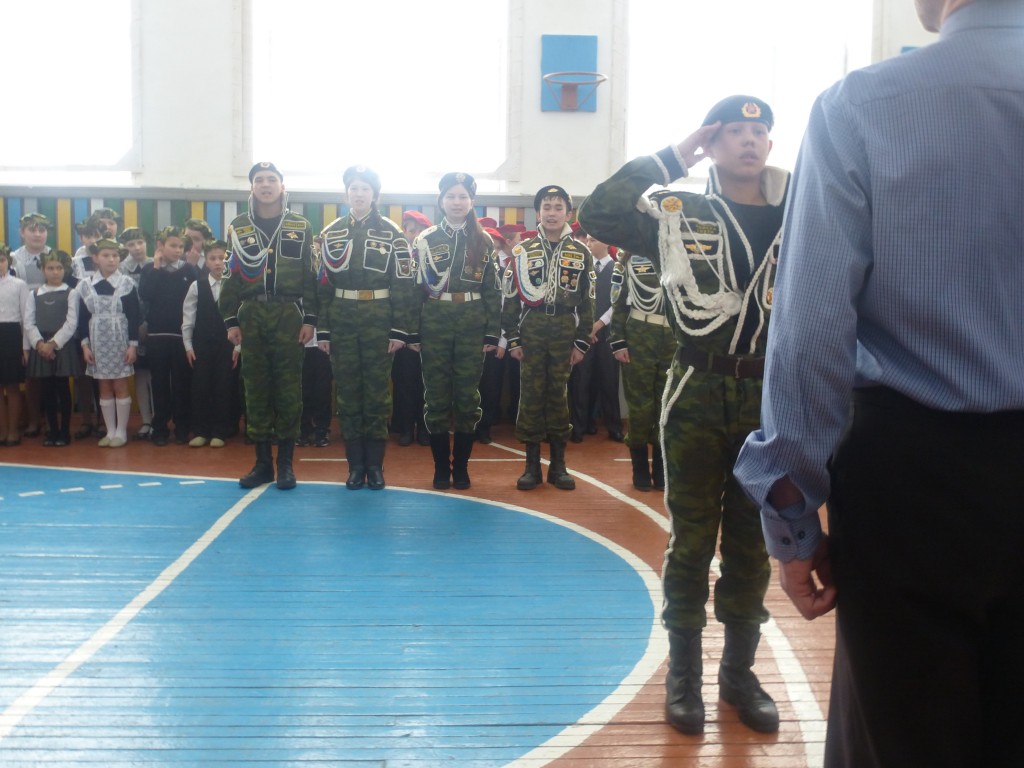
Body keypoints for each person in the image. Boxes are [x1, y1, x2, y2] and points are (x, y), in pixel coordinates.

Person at [732, 2, 1024, 765]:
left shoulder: (861, 108)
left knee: (903, 738)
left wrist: (792, 516)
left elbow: (810, 334)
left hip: (914, 485)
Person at [578, 95, 788, 735]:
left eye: (759, 131)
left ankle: (739, 674)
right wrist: (674, 155)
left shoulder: (801, 212)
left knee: (753, 541)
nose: (749, 140)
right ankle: (684, 676)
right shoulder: (680, 211)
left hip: (769, 392)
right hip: (697, 384)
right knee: (693, 538)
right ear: (713, 142)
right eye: (734, 130)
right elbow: (598, 213)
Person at [222, 161, 321, 490]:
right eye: (259, 180)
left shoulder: (300, 226)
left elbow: (310, 274)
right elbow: (230, 275)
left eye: (271, 179)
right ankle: (263, 462)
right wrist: (231, 320)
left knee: (289, 388)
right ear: (252, 187)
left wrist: (310, 318)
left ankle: (286, 464)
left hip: (288, 314)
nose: (266, 185)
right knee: (256, 388)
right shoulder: (238, 227)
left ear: (282, 186)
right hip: (251, 314)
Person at [317, 165, 416, 491]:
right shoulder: (331, 233)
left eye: (365, 189)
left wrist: (399, 329)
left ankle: (374, 465)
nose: (359, 194)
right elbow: (323, 286)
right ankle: (354, 465)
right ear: (346, 193)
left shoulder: (392, 233)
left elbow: (403, 284)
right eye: (354, 188)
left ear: (375, 195)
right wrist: (324, 330)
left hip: (378, 318)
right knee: (347, 393)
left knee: (375, 394)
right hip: (342, 318)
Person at [501, 185, 595, 491]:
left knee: (559, 395)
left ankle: (558, 465)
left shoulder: (581, 252)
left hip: (565, 328)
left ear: (568, 213)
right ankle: (531, 466)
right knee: (530, 395)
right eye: (546, 207)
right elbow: (510, 300)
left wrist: (581, 341)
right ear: (538, 212)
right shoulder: (523, 251)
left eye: (558, 207)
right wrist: (513, 339)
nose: (552, 213)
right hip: (532, 327)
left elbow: (588, 301)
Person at [413, 173, 502, 490]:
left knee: (467, 396)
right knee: (436, 395)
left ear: (472, 202)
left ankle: (461, 467)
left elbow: (492, 290)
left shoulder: (484, 240)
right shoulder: (425, 239)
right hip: (435, 321)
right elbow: (415, 289)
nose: (457, 202)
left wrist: (492, 333)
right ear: (441, 201)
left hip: (471, 324)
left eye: (463, 196)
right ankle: (441, 467)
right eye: (451, 196)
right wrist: (413, 332)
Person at [608, 249, 675, 491]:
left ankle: (660, 467)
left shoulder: (680, 255)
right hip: (639, 333)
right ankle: (639, 467)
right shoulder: (629, 259)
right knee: (640, 405)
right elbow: (618, 304)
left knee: (666, 405)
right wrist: (618, 342)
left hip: (673, 338)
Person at [70, 238, 141, 447]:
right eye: (106, 255)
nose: (111, 259)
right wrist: (85, 345)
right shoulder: (85, 286)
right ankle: (110, 431)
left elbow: (134, 316)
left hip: (120, 340)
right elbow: (83, 319)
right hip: (97, 342)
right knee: (104, 386)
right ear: (95, 258)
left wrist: (133, 345)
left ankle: (121, 431)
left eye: (115, 255)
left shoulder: (127, 284)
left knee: (120, 384)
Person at [139, 226, 200, 446]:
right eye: (173, 245)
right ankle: (160, 428)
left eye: (180, 246)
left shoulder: (189, 270)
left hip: (181, 336)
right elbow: (145, 294)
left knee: (182, 384)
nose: (177, 250)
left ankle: (182, 426)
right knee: (160, 385)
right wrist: (156, 268)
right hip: (157, 336)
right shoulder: (149, 269)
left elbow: (197, 300)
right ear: (160, 246)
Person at [23, 250, 82, 447]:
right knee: (47, 390)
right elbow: (29, 323)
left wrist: (53, 344)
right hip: (41, 345)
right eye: (50, 268)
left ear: (64, 270)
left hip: (61, 346)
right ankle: (52, 430)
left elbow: (71, 322)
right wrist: (40, 344)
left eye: (59, 268)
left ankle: (64, 431)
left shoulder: (71, 293)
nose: (55, 272)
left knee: (63, 388)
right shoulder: (34, 294)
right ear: (43, 270)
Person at [568, 233, 623, 443]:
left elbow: (617, 303)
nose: (588, 244)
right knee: (581, 381)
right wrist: (585, 329)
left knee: (609, 380)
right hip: (583, 334)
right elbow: (574, 300)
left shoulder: (617, 269)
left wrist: (598, 325)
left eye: (593, 240)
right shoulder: (582, 268)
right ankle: (579, 426)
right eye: (588, 240)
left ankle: (614, 426)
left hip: (607, 334)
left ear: (607, 242)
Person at [182, 239, 237, 448]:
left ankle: (220, 431)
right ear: (206, 262)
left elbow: (242, 319)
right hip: (201, 344)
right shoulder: (197, 286)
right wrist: (188, 346)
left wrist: (238, 347)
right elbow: (188, 318)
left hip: (227, 345)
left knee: (224, 386)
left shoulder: (234, 286)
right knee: (200, 387)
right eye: (213, 258)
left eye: (222, 258)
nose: (217, 262)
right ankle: (201, 431)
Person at [392, 209, 432, 447]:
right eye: (410, 230)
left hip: (430, 333)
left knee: (427, 383)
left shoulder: (433, 259)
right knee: (405, 382)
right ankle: (406, 428)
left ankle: (425, 428)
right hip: (404, 333)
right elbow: (398, 300)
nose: (414, 235)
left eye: (419, 231)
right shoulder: (398, 259)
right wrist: (406, 334)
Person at [118, 227, 155, 439]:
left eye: (140, 242)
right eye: (131, 244)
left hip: (155, 324)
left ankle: (158, 418)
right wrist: (137, 325)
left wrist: (149, 322)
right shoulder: (122, 267)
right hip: (132, 326)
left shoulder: (155, 264)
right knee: (140, 375)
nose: (137, 247)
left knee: (157, 375)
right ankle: (146, 420)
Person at [0, 244, 30, 446]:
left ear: (8, 262)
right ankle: (2, 430)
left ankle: (13, 431)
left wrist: (25, 347)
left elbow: (26, 318)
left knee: (12, 386)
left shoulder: (19, 285)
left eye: (2, 260)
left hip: (12, 335)